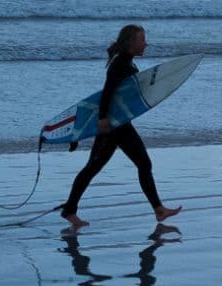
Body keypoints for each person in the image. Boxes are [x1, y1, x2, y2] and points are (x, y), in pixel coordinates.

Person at [60, 24, 182, 228]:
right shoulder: (120, 65)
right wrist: (102, 119)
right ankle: (70, 210)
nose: (146, 44)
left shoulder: (127, 62)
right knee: (131, 164)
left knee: (102, 167)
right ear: (131, 43)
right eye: (142, 40)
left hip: (119, 123)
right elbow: (107, 92)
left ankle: (158, 209)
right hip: (113, 126)